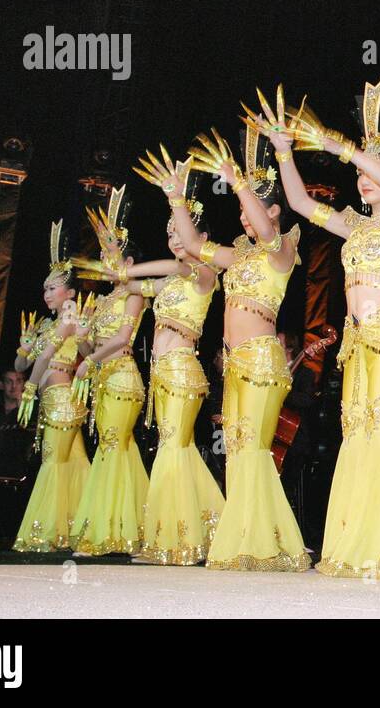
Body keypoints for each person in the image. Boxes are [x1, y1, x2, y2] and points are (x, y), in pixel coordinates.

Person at [257, 81, 380, 579]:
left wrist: (345, 148)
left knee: (379, 438)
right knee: (358, 438)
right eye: (359, 171)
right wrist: (285, 152)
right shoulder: (356, 225)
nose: (362, 178)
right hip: (355, 344)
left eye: (372, 168)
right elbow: (302, 206)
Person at [163, 124, 311, 571]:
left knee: (255, 447)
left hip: (264, 360)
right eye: (243, 212)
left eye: (255, 211)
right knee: (239, 448)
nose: (245, 219)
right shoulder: (236, 255)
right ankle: (247, 538)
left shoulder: (281, 248)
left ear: (274, 210)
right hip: (234, 364)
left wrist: (240, 181)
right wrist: (175, 197)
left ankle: (272, 542)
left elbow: (266, 233)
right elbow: (191, 244)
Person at [119, 152, 226, 564]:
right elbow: (142, 287)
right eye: (171, 234)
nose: (176, 240)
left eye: (181, 234)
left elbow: (169, 270)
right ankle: (212, 525)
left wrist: (133, 272)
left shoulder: (202, 273)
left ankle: (173, 541)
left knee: (173, 447)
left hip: (183, 370)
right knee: (174, 446)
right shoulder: (167, 281)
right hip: (161, 373)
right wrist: (119, 274)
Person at [68, 186, 150, 556]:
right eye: (102, 254)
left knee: (114, 446)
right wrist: (83, 340)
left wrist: (91, 358)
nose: (104, 259)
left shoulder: (135, 293)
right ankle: (128, 530)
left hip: (122, 379)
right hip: (103, 380)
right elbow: (91, 348)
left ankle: (108, 533)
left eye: (111, 253)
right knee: (117, 448)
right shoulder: (101, 301)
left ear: (129, 261)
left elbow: (121, 338)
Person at [11, 221, 90, 551]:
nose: (47, 294)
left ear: (70, 293)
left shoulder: (70, 320)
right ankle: (81, 530)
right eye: (45, 289)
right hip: (50, 400)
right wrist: (23, 347)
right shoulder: (46, 323)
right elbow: (22, 364)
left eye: (53, 288)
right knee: (73, 464)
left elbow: (45, 361)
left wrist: (29, 387)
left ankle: (48, 533)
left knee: (55, 462)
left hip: (60, 397)